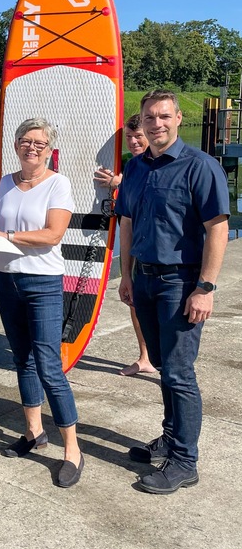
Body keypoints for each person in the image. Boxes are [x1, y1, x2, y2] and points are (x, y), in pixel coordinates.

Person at [117, 89, 229, 494]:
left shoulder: (200, 167)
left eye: (164, 116)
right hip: (144, 280)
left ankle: (185, 460)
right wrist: (125, 276)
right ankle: (170, 435)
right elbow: (126, 222)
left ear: (179, 118)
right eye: (149, 117)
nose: (156, 124)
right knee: (165, 366)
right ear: (142, 122)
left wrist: (205, 287)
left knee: (180, 373)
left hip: (180, 283)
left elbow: (218, 227)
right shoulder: (135, 168)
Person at [0, 118, 84, 489]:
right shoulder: (5, 181)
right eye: (24, 141)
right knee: (22, 359)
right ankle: (34, 431)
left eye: (38, 142)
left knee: (49, 364)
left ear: (50, 148)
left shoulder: (58, 183)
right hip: (7, 280)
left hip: (42, 283)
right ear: (16, 145)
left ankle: (72, 450)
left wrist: (4, 235)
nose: (30, 147)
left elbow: (53, 235)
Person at [94, 114, 155, 376]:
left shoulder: (161, 161)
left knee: (159, 307)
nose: (132, 142)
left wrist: (120, 184)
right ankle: (145, 357)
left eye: (138, 136)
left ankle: (166, 363)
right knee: (134, 302)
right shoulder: (129, 163)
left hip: (156, 246)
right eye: (128, 137)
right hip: (133, 243)